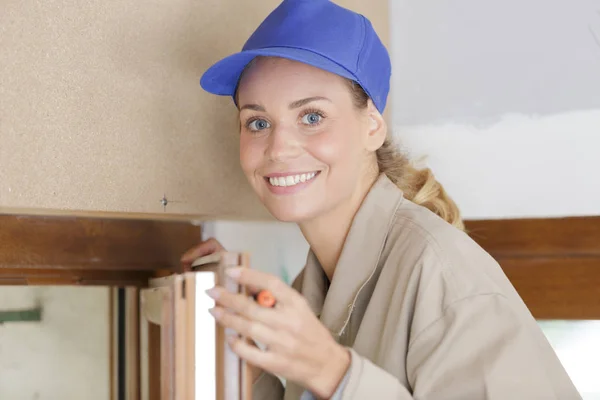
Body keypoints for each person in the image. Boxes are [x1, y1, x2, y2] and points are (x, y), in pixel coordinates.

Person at [181, 0, 582, 398]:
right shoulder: (313, 285)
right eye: (258, 122)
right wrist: (241, 339)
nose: (278, 147)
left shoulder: (445, 274)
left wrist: (334, 372)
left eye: (312, 117)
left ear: (373, 127)